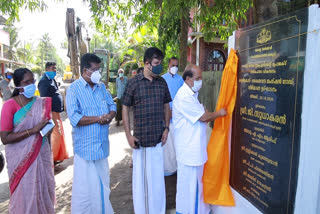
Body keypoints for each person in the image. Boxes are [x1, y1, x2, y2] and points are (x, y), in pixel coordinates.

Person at [122, 47, 171, 214]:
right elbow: (125, 108)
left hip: (158, 140)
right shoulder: (133, 83)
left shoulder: (162, 82)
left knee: (157, 181)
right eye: (156, 64)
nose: (159, 67)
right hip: (141, 142)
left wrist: (166, 128)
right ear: (147, 63)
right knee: (142, 184)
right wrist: (128, 135)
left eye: (160, 63)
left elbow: (166, 106)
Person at [172, 64, 227, 214]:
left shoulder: (191, 95)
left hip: (193, 150)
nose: (200, 81)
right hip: (190, 152)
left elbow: (202, 114)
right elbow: (203, 116)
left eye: (201, 78)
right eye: (198, 78)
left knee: (191, 188)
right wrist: (220, 113)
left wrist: (207, 115)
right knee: (192, 189)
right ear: (188, 79)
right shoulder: (184, 97)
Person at [0, 68, 55, 213]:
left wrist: (47, 130)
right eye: (26, 82)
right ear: (18, 85)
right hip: (20, 159)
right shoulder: (9, 105)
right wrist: (33, 130)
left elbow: (46, 129)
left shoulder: (40, 103)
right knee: (24, 196)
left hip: (41, 154)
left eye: (33, 81)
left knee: (43, 191)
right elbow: (5, 138)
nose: (31, 85)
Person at [66, 53, 116, 214]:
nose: (97, 73)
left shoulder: (101, 87)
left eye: (98, 69)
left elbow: (112, 105)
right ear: (85, 70)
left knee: (103, 186)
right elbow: (74, 118)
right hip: (85, 150)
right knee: (86, 191)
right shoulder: (74, 89)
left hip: (102, 147)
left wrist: (110, 116)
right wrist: (98, 118)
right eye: (94, 70)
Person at [38, 61, 68, 163]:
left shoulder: (52, 79)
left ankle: (55, 156)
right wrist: (48, 115)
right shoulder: (43, 82)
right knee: (57, 133)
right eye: (52, 68)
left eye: (55, 68)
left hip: (56, 112)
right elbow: (44, 99)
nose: (54, 70)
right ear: (47, 69)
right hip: (51, 112)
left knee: (58, 133)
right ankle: (51, 158)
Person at [161, 56, 184, 176]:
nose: (174, 67)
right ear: (168, 66)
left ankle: (176, 167)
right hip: (166, 115)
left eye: (176, 65)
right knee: (167, 145)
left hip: (178, 116)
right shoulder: (162, 79)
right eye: (172, 65)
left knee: (176, 144)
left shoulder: (181, 80)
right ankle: (167, 169)